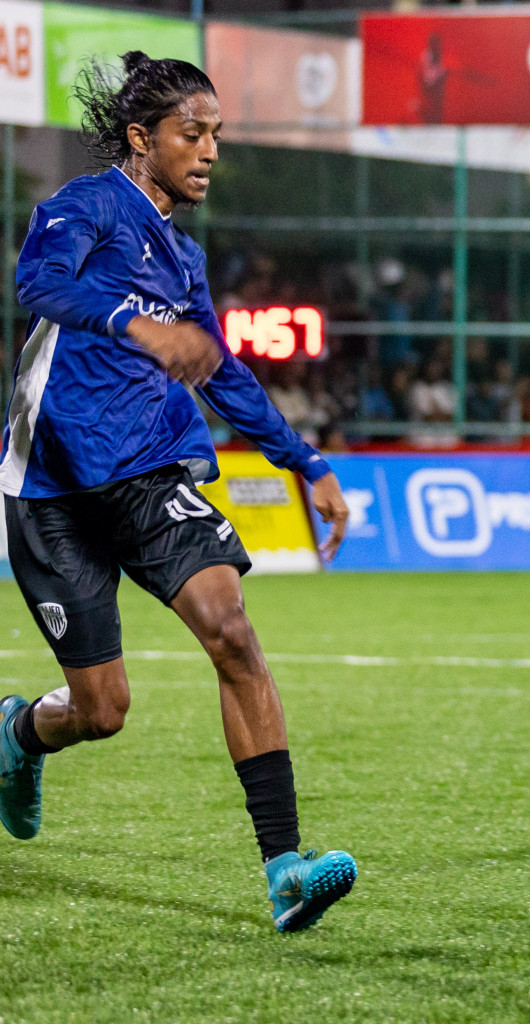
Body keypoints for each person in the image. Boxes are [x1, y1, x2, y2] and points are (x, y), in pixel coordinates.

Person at [0, 52, 356, 932]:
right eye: (192, 134)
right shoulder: (85, 207)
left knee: (231, 629)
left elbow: (221, 373)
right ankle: (16, 737)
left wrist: (304, 464)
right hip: (50, 489)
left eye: (216, 136)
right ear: (141, 138)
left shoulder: (184, 257)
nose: (209, 152)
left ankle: (284, 870)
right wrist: (135, 323)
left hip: (151, 471)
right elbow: (35, 283)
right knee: (101, 711)